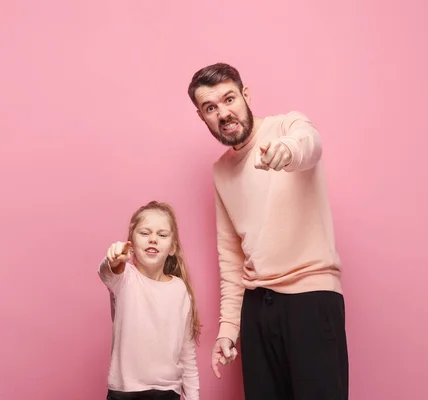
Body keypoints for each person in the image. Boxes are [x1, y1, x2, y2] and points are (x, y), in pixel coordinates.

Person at [187, 63, 349, 400]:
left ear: (246, 95)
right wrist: (228, 329)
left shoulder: (287, 126)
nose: (223, 113)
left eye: (229, 99)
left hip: (311, 297)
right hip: (257, 306)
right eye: (210, 108)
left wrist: (287, 151)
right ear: (202, 117)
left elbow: (310, 143)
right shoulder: (221, 171)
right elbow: (230, 256)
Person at [98, 201, 200, 400]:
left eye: (162, 235)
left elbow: (187, 354)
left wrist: (194, 397)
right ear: (131, 244)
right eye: (145, 233)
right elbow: (107, 272)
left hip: (167, 393)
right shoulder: (124, 278)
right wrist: (114, 259)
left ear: (172, 248)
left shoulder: (180, 291)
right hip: (124, 392)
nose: (153, 239)